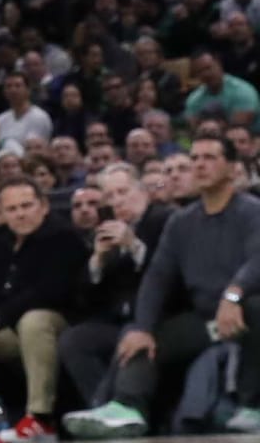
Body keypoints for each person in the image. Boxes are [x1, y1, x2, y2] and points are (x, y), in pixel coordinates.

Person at [61, 138, 260, 437]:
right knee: (140, 335)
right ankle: (126, 409)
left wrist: (234, 294)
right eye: (195, 158)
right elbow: (158, 277)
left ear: (232, 168)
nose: (200, 164)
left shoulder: (252, 211)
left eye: (210, 157)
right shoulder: (181, 222)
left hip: (248, 308)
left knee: (256, 308)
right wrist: (143, 327)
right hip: (206, 319)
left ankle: (252, 407)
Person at [0, 180, 83, 442]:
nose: (20, 214)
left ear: (43, 206)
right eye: (11, 209)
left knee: (33, 321)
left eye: (26, 206)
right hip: (9, 329)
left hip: (59, 326)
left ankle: (40, 418)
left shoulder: (64, 236)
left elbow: (47, 291)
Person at [58, 166, 172, 412]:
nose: (117, 200)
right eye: (110, 196)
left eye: (123, 191)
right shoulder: (106, 230)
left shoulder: (163, 220)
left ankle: (109, 408)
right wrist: (97, 262)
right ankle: (101, 408)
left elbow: (168, 276)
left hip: (159, 319)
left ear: (142, 192)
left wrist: (134, 246)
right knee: (74, 340)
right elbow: (85, 301)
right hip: (116, 320)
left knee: (129, 336)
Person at [185, 51, 260, 128]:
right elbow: (194, 128)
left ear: (219, 64)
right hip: (210, 137)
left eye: (208, 68)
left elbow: (238, 128)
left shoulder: (243, 91)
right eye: (199, 71)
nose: (205, 74)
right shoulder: (194, 99)